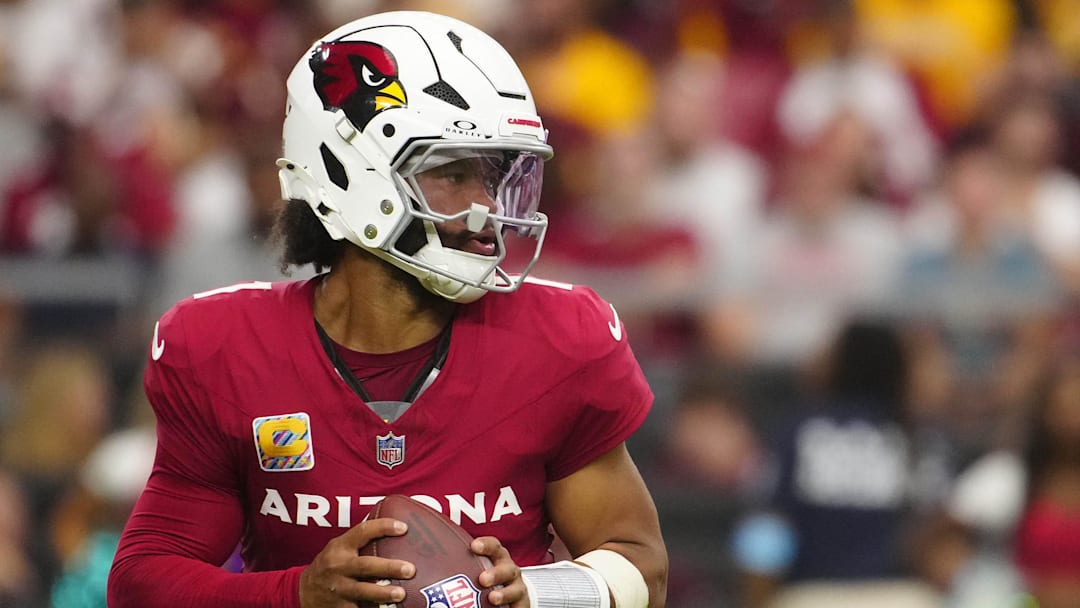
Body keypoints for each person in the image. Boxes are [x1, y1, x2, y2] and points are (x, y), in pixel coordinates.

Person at [106, 10, 667, 608]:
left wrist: (535, 593)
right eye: (452, 173)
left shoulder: (559, 341)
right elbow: (143, 583)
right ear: (350, 172)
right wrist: (296, 595)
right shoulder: (222, 348)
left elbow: (640, 563)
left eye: (493, 175)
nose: (486, 207)